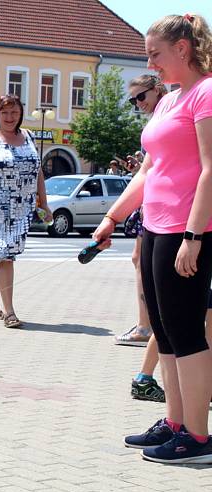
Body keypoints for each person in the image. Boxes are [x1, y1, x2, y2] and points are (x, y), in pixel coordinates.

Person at [92, 14, 212, 463]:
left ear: (182, 49)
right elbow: (148, 170)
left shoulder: (205, 94)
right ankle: (176, 422)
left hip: (187, 230)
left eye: (155, 54)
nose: (151, 63)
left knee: (186, 334)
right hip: (156, 227)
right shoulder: (168, 102)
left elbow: (209, 169)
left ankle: (199, 438)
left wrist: (195, 236)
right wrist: (111, 217)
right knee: (163, 333)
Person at [0, 94, 52, 329]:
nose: (9, 117)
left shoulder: (29, 137)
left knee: (5, 255)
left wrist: (43, 203)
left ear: (20, 114)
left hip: (22, 207)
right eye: (4, 112)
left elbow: (38, 173)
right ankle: (10, 312)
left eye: (14, 112)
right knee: (5, 255)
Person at [117, 75, 169, 402]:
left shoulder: (173, 112)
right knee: (185, 316)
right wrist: (113, 217)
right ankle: (146, 376)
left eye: (141, 96)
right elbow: (147, 172)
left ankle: (145, 375)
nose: (138, 103)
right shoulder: (159, 121)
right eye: (133, 99)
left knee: (189, 316)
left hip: (168, 216)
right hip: (165, 218)